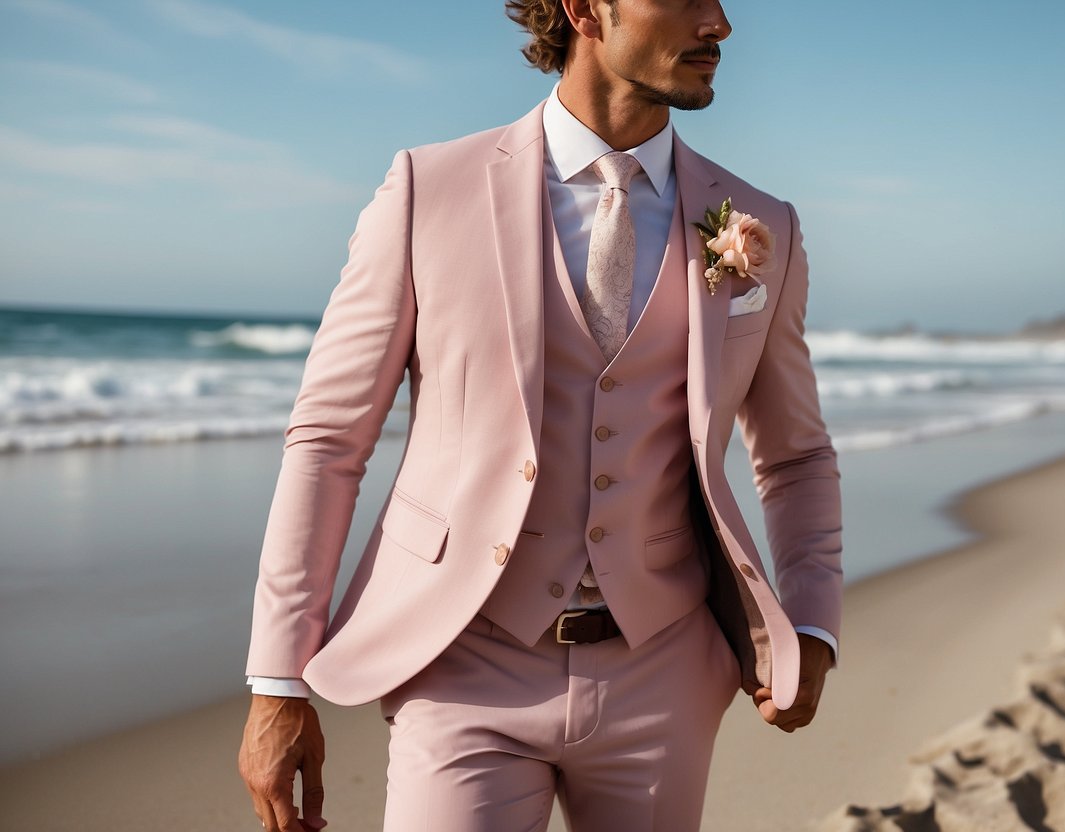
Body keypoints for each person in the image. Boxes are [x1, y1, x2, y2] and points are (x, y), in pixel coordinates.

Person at [238, 1, 843, 830]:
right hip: (460, 659)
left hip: (663, 667)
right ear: (584, 8)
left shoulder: (759, 222)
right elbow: (329, 440)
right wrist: (277, 679)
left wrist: (811, 622)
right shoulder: (427, 189)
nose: (720, 25)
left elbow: (795, 456)